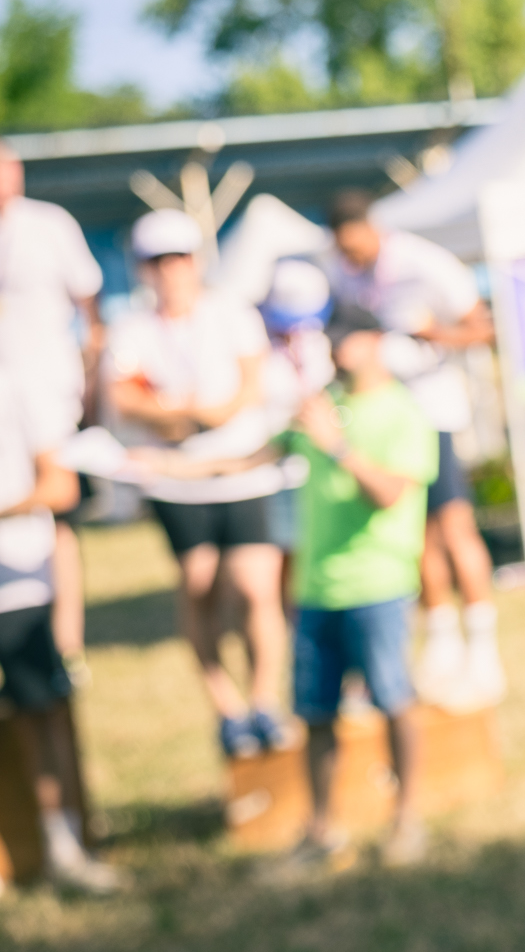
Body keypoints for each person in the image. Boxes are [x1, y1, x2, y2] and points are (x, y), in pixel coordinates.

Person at [159, 300, 437, 872]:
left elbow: (390, 493)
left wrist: (338, 446)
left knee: (394, 701)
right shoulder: (321, 407)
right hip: (315, 589)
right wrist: (164, 467)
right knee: (314, 713)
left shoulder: (403, 412)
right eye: (331, 339)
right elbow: (256, 457)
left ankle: (407, 820)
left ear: (376, 342)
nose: (336, 350)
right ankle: (321, 828)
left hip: (379, 585)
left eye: (347, 339)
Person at [108, 209, 290, 759]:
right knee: (199, 582)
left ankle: (265, 700)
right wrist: (187, 416)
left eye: (179, 258)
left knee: (256, 587)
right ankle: (227, 707)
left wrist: (181, 416)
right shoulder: (133, 327)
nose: (171, 270)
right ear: (145, 268)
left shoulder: (230, 312)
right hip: (178, 483)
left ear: (195, 261)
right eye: (159, 261)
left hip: (241, 471)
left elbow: (246, 391)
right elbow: (124, 396)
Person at [323, 189, 502, 708]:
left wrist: (432, 333)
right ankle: (441, 639)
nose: (352, 259)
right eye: (344, 252)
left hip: (431, 412)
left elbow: (484, 329)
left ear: (373, 230)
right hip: (383, 415)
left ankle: (482, 644)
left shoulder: (426, 265)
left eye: (357, 249)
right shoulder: (343, 274)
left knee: (454, 525)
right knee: (416, 535)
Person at [0, 367, 126, 895]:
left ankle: (66, 845)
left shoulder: (17, 385)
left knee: (42, 714)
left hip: (19, 586)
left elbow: (60, 485)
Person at [0, 142, 103, 682]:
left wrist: (90, 387)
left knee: (56, 514)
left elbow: (91, 311)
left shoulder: (49, 224)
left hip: (49, 393)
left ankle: (66, 643)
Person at [258, 260, 337, 607]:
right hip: (277, 465)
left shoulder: (324, 342)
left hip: (321, 461)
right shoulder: (260, 346)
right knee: (286, 553)